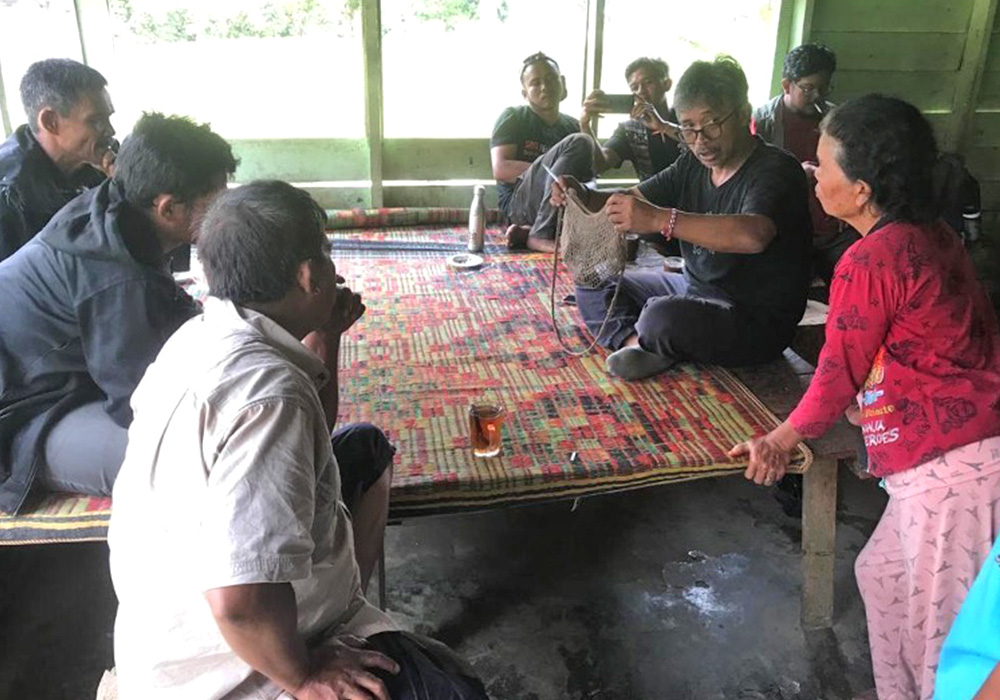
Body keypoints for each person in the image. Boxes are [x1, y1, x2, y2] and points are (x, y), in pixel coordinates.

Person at [109, 180, 489, 700]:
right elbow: (239, 600)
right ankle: (327, 648)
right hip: (226, 662)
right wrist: (305, 675)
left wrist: (326, 337)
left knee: (364, 449)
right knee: (456, 690)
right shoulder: (270, 394)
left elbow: (310, 440)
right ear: (309, 275)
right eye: (327, 256)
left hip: (173, 616)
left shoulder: (202, 334)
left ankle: (351, 615)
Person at [731, 95, 1000, 700]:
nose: (811, 172)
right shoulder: (931, 235)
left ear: (859, 189)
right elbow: (931, 344)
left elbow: (834, 376)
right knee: (880, 577)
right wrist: (880, 397)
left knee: (949, 647)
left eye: (821, 164)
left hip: (955, 472)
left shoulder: (869, 259)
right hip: (967, 454)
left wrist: (779, 440)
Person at [0, 113, 235, 516]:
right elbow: (142, 406)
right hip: (24, 415)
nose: (225, 214)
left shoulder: (113, 206)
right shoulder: (118, 279)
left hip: (58, 377)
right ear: (168, 208)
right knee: (192, 461)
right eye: (215, 203)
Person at [552, 55, 811, 381]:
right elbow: (632, 199)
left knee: (661, 317)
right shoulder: (692, 164)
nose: (701, 140)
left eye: (712, 124)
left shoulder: (776, 169)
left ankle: (654, 338)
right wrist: (581, 194)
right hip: (694, 287)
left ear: (744, 114)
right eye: (688, 128)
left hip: (754, 319)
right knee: (593, 278)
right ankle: (637, 345)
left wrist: (661, 220)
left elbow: (754, 234)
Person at [752, 43, 858, 285]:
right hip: (784, 232)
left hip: (833, 232)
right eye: (808, 88)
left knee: (851, 278)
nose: (818, 96)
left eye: (824, 88)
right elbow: (753, 178)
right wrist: (795, 172)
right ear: (787, 85)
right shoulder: (763, 121)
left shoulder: (837, 121)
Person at [0, 58, 115, 261]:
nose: (110, 131)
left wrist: (120, 187)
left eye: (108, 118)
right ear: (50, 122)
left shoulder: (104, 158)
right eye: (95, 120)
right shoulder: (10, 193)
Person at [491, 51, 596, 253]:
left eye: (550, 79)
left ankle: (528, 232)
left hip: (558, 205)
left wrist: (585, 124)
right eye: (535, 83)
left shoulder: (572, 126)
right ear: (525, 93)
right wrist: (552, 176)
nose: (544, 87)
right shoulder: (514, 117)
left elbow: (592, 172)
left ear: (563, 83)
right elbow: (501, 168)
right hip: (520, 205)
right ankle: (541, 234)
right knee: (581, 142)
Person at [581, 57, 682, 182]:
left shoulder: (684, 117)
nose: (641, 91)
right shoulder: (629, 130)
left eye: (648, 82)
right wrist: (585, 125)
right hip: (650, 198)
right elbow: (600, 165)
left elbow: (702, 140)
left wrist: (663, 126)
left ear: (667, 84)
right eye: (634, 87)